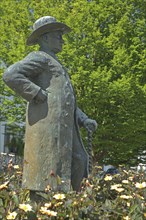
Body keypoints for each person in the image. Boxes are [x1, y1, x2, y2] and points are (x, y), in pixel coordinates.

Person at [3, 16, 97, 192]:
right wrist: (36, 93)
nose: (62, 40)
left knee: (80, 160)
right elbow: (10, 74)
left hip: (65, 127)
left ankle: (73, 204)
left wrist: (84, 119)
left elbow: (66, 100)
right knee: (49, 169)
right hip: (48, 125)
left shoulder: (56, 62)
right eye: (58, 35)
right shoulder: (40, 57)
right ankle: (44, 205)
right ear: (45, 38)